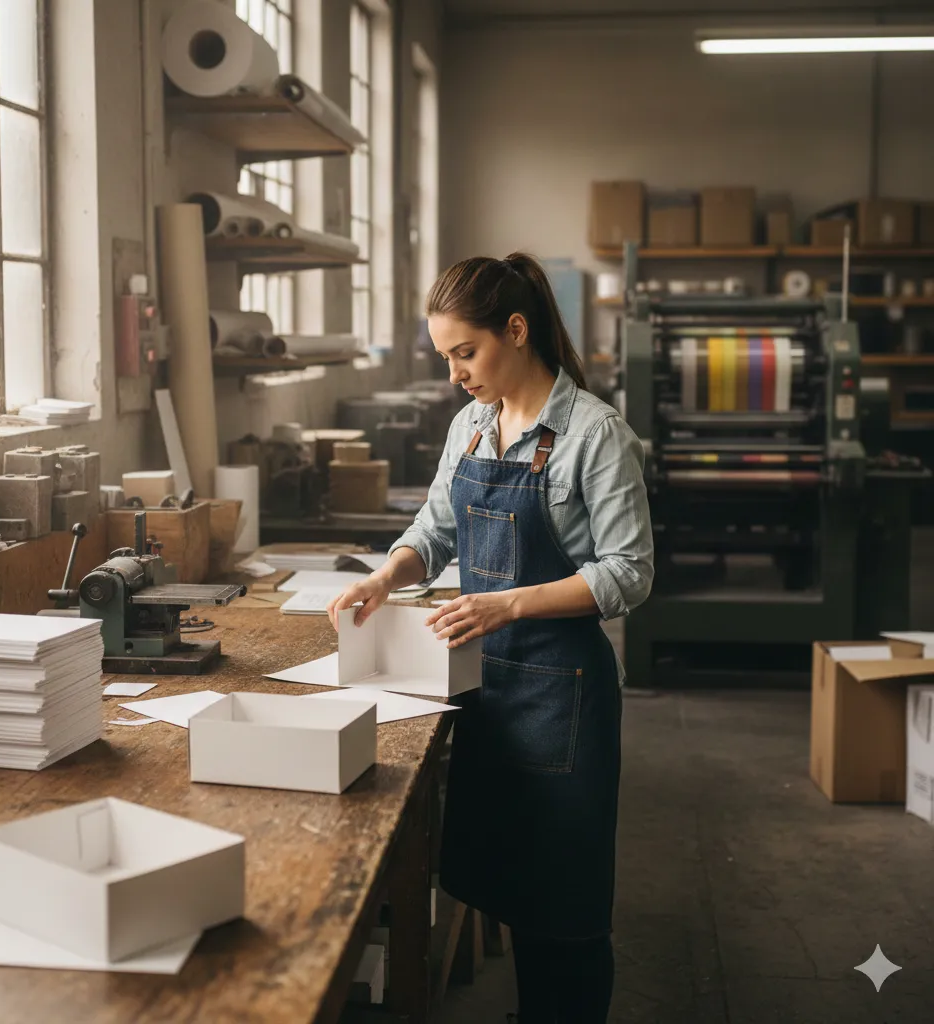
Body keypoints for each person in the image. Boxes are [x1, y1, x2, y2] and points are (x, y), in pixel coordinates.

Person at [326, 253, 654, 1023]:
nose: (455, 376)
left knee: (563, 916)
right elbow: (434, 530)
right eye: (446, 358)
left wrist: (508, 605)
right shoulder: (470, 428)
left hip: (563, 701)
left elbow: (629, 574)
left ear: (516, 329)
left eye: (465, 354)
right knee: (498, 880)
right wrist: (386, 577)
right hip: (481, 692)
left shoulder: (595, 436)